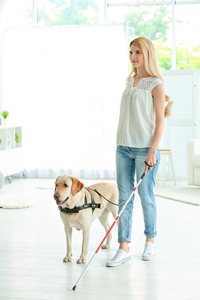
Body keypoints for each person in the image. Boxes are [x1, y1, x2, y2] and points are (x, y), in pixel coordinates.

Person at [106, 37, 173, 267]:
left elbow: (159, 122)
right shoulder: (130, 82)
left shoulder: (155, 84)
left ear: (147, 54)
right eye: (131, 52)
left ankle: (150, 241)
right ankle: (123, 247)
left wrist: (152, 151)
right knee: (124, 199)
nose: (133, 57)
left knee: (146, 197)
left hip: (146, 150)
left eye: (138, 52)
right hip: (123, 148)